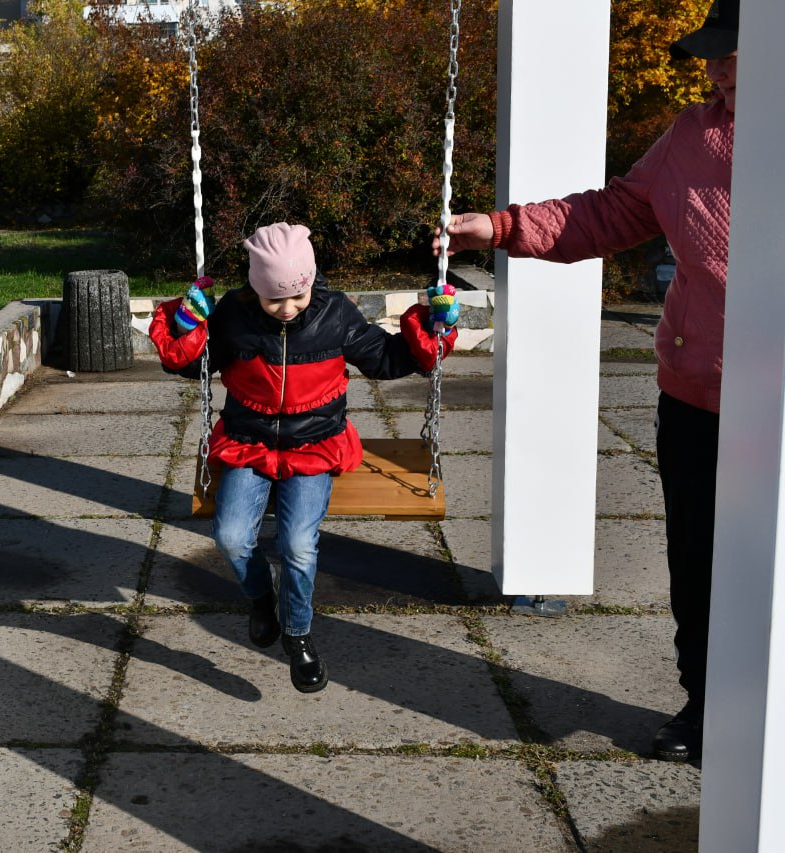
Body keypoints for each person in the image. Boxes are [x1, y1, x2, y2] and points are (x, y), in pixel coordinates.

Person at [433, 1, 738, 761]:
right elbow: (611, 214)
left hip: (776, 406)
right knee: (697, 565)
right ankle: (703, 711)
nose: (712, 68)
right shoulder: (691, 136)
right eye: (711, 53)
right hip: (696, 396)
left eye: (731, 55)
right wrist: (501, 228)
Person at [151, 222, 457, 693]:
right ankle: (259, 598)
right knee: (230, 536)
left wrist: (434, 327)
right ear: (255, 287)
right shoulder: (234, 313)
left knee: (297, 545)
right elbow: (192, 364)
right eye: (276, 300)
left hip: (315, 444)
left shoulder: (334, 314)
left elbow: (386, 359)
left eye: (299, 295)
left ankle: (298, 636)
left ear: (312, 280)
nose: (290, 308)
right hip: (249, 441)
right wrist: (188, 323)